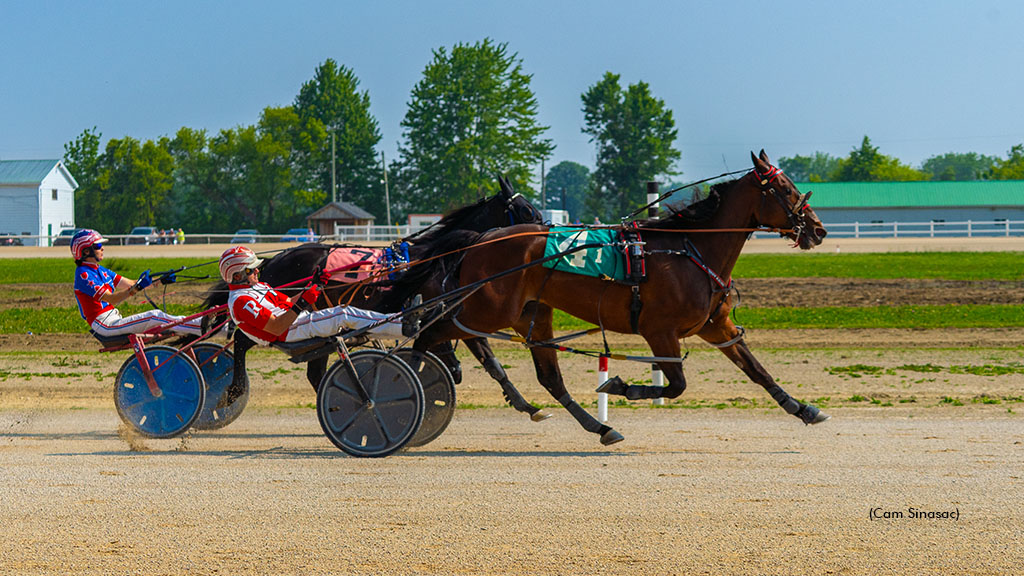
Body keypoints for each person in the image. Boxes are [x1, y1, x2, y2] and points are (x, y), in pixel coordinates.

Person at [220, 246, 419, 346]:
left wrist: (312, 287)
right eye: (251, 270)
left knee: (348, 318)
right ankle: (403, 326)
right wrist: (304, 303)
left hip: (294, 323)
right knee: (343, 315)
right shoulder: (241, 302)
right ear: (236, 276)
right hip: (287, 332)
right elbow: (275, 326)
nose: (257, 271)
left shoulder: (257, 287)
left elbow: (288, 302)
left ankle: (401, 324)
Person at [71, 229, 202, 338]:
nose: (102, 248)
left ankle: (198, 324)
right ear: (86, 251)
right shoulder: (83, 274)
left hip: (113, 319)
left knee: (158, 318)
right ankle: (201, 326)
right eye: (98, 246)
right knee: (155, 316)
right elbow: (112, 299)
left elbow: (131, 284)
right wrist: (135, 289)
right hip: (104, 325)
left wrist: (160, 281)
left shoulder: (101, 270)